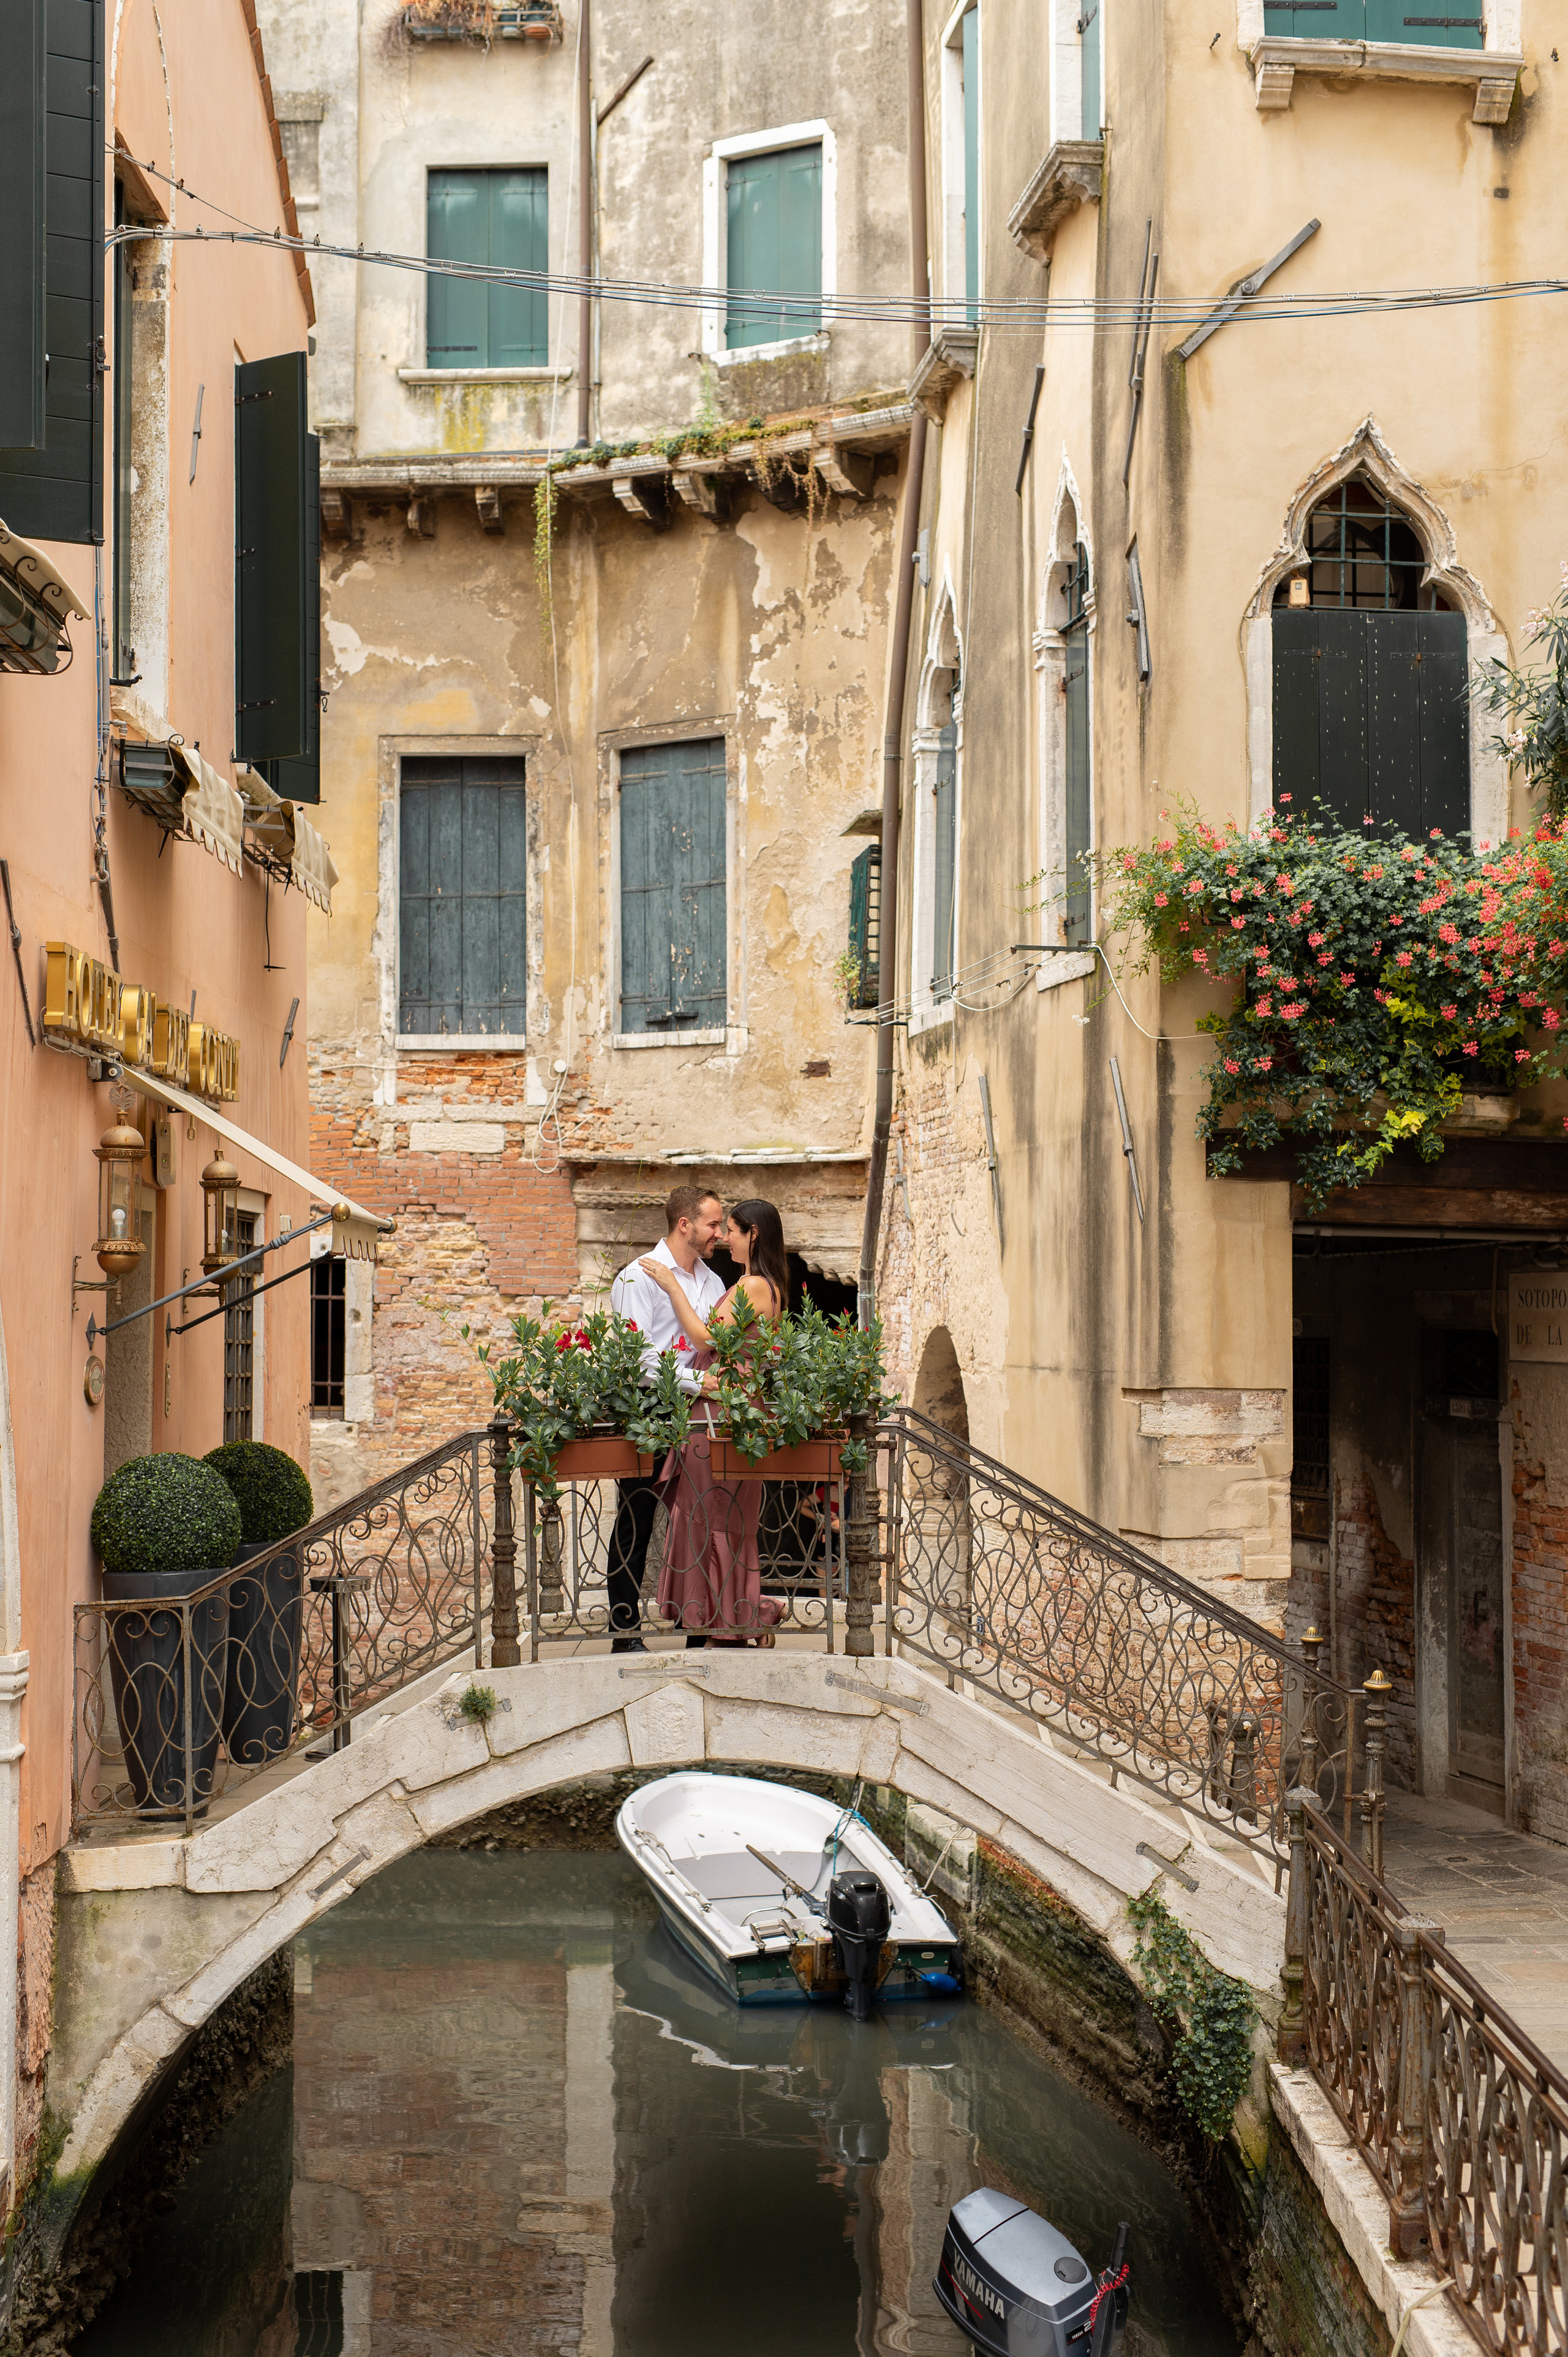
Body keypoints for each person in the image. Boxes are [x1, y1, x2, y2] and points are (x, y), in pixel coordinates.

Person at [639, 1199, 791, 1648]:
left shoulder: (756, 1286)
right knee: (717, 1516)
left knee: (713, 1515)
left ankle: (733, 1622)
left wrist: (672, 1286)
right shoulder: (756, 1284)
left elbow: (707, 1338)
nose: (725, 1237)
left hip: (723, 1410)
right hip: (729, 1406)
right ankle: (742, 1615)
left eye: (733, 1230)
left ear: (753, 1235)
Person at [604, 1186, 726, 1655]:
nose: (719, 1233)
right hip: (649, 1408)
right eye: (713, 1224)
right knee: (636, 1518)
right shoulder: (637, 1278)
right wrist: (698, 1382)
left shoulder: (714, 1283)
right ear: (685, 1224)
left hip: (698, 1413)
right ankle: (624, 1632)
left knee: (699, 1519)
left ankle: (698, 1626)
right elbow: (637, 1360)